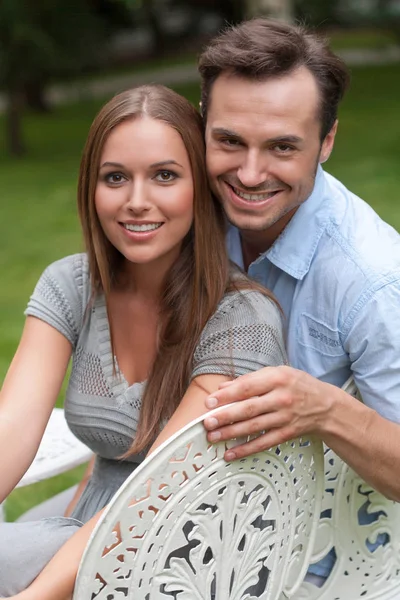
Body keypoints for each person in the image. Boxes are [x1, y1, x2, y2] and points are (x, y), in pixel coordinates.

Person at [0, 84, 287, 598]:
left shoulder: (241, 317)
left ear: (199, 188)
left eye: (164, 176)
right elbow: (12, 429)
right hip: (94, 523)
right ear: (92, 188)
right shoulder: (72, 286)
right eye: (115, 178)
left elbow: (161, 491)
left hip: (196, 551)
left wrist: (34, 597)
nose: (136, 202)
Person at [197, 17, 400, 584]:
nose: (250, 173)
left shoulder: (375, 279)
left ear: (327, 141)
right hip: (191, 521)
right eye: (229, 140)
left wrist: (326, 409)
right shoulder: (185, 209)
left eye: (283, 146)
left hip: (317, 563)